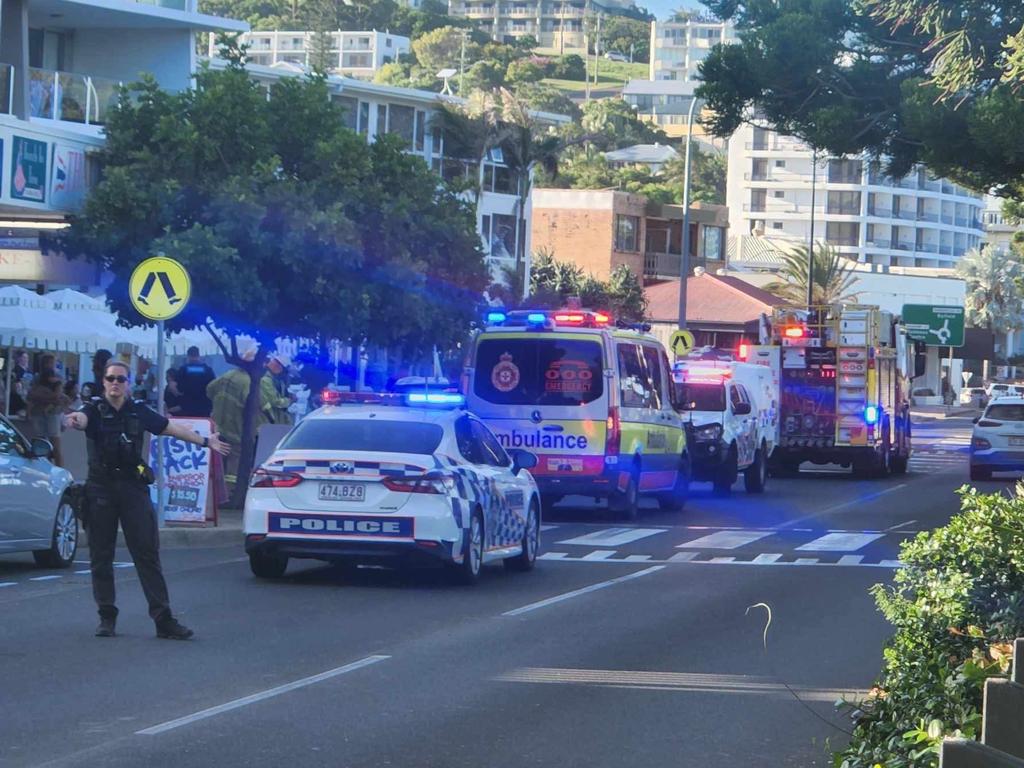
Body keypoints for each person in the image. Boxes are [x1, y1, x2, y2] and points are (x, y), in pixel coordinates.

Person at [63, 360, 229, 640]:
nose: (115, 383)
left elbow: (170, 428)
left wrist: (205, 441)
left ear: (128, 383)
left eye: (121, 379)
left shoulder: (138, 410)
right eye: (111, 378)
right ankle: (107, 617)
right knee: (100, 556)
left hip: (132, 487)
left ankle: (163, 619)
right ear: (103, 381)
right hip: (100, 488)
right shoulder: (92, 409)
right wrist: (72, 420)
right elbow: (81, 419)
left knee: (146, 554)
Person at [26, 355, 70, 467]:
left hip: (52, 413)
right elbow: (31, 395)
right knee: (41, 447)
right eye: (47, 363)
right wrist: (50, 398)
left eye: (51, 363)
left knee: (56, 447)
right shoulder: (37, 378)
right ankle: (44, 470)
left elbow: (57, 396)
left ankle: (60, 471)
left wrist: (42, 397)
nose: (49, 366)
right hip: (39, 413)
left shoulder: (58, 378)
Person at [176, 346, 214, 417]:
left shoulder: (183, 370)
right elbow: (213, 387)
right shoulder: (208, 370)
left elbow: (180, 388)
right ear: (199, 355)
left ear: (188, 356)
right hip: (204, 406)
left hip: (187, 406)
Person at [262, 353, 294, 427]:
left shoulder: (276, 379)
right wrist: (290, 400)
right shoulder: (265, 380)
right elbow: (275, 401)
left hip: (277, 419)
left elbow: (281, 393)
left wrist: (288, 395)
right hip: (269, 420)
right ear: (278, 367)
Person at [8, 350, 29, 416]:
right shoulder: (16, 370)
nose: (26, 359)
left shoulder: (28, 370)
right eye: (24, 357)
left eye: (27, 358)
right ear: (19, 358)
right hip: (18, 394)